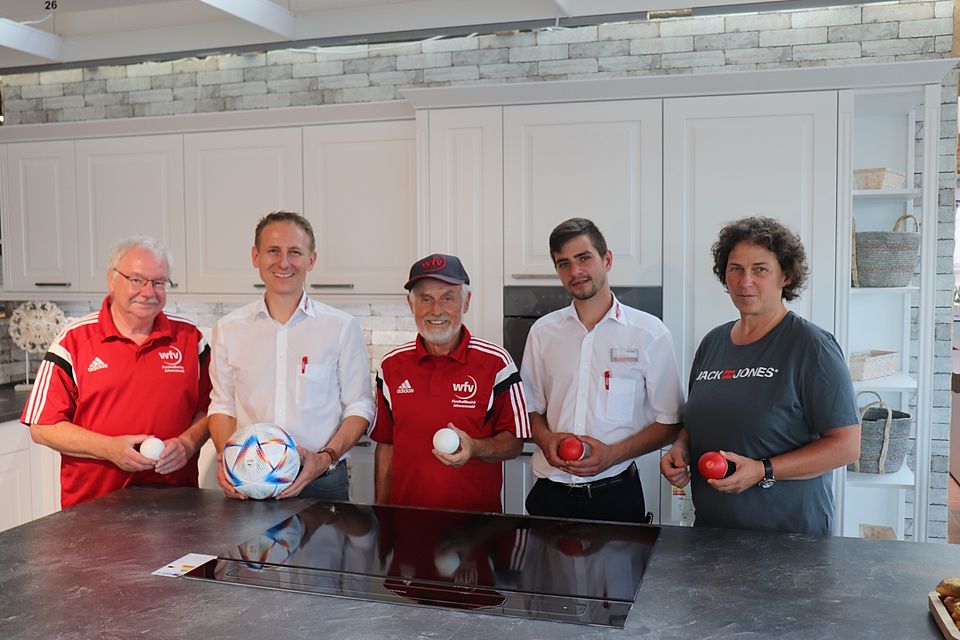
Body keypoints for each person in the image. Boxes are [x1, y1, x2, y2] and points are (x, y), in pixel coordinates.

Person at [660, 216, 860, 535]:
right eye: (735, 268)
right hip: (713, 531)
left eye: (760, 269)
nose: (745, 281)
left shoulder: (811, 346)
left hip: (789, 536)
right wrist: (681, 448)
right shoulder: (713, 343)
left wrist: (763, 470)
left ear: (786, 276)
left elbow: (846, 447)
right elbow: (697, 420)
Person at [21, 236, 212, 508]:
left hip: (176, 504)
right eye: (136, 280)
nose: (148, 292)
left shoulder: (190, 338)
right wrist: (109, 449)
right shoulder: (73, 340)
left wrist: (188, 443)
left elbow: (214, 409)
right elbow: (42, 426)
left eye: (159, 282)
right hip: (92, 508)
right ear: (112, 280)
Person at [521, 218, 684, 523]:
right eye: (564, 264)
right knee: (544, 573)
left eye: (584, 258)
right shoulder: (543, 333)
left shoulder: (649, 333)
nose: (575, 271)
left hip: (617, 495)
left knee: (620, 573)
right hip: (549, 495)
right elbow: (529, 409)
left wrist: (613, 454)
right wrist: (546, 440)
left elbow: (671, 423)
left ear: (606, 259)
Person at [208, 211, 375, 500]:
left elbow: (360, 407)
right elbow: (222, 405)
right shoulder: (228, 329)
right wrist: (228, 459)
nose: (283, 262)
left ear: (311, 260)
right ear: (255, 257)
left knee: (326, 548)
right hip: (249, 480)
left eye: (295, 252)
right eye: (273, 251)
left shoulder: (341, 327)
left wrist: (325, 458)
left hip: (322, 481)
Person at [371, 253, 530, 512]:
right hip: (408, 520)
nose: (436, 310)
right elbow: (386, 445)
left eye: (447, 298)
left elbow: (515, 442)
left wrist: (476, 448)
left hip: (476, 526)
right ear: (411, 304)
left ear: (465, 302)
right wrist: (381, 512)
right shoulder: (391, 365)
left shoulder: (497, 363)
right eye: (425, 299)